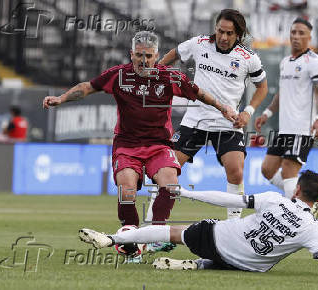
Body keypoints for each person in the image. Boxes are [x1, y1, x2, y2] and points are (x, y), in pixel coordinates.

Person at [43, 31, 236, 255]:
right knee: (126, 190)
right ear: (131, 54)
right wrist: (61, 98)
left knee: (170, 185)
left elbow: (200, 93)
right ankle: (129, 235)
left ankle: (156, 233)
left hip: (159, 144)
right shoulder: (118, 75)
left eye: (149, 56)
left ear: (157, 56)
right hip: (127, 145)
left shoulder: (170, 77)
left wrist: (224, 108)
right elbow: (87, 87)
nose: (143, 60)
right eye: (139, 55)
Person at [78, 170, 318, 277]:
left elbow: (230, 200)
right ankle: (199, 266)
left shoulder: (274, 198)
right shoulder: (314, 228)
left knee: (174, 232)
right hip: (248, 265)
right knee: (255, 263)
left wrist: (187, 192)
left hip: (215, 238)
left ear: (297, 189)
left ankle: (114, 238)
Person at [159, 9, 268, 219]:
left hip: (228, 123)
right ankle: (156, 223)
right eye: (220, 31)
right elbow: (175, 53)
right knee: (167, 170)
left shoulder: (248, 58)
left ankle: (234, 226)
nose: (223, 37)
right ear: (215, 29)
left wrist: (248, 112)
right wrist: (155, 73)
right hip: (195, 121)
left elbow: (262, 87)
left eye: (229, 33)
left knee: (236, 171)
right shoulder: (199, 44)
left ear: (239, 34)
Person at [254, 18, 318, 206]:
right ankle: (305, 201)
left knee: (288, 170)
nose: (296, 36)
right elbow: (282, 92)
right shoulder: (285, 62)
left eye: (302, 33)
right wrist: (267, 113)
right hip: (284, 128)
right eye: (293, 32)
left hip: (302, 128)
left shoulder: (314, 62)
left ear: (309, 37)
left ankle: (293, 215)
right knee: (267, 170)